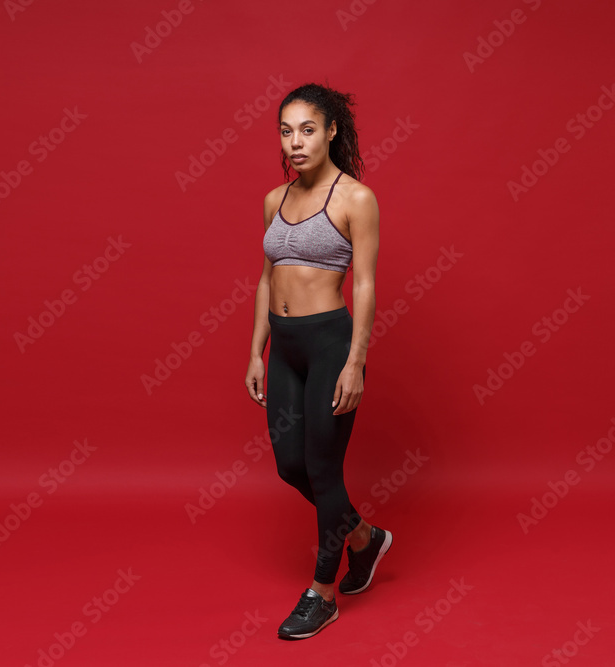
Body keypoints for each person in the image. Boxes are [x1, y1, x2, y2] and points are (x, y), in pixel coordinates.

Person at [245, 82, 393, 640]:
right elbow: (264, 280)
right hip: (283, 348)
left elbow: (368, 284)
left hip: (330, 344)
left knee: (325, 471)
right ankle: (365, 537)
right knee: (291, 464)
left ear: (331, 130)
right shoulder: (273, 200)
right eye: (287, 131)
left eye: (308, 129)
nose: (296, 142)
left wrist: (355, 361)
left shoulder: (355, 198)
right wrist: (255, 351)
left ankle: (323, 593)